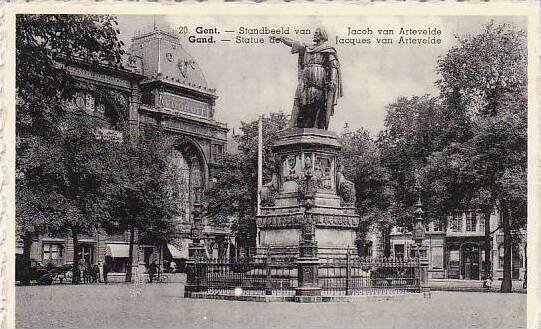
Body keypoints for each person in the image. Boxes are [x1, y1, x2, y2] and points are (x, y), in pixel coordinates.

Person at [275, 27, 343, 130]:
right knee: (297, 99)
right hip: (305, 79)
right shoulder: (307, 47)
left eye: (317, 33)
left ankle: (315, 127)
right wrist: (282, 39)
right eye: (314, 33)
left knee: (317, 102)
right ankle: (291, 125)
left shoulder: (328, 49)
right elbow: (293, 43)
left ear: (323, 35)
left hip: (319, 78)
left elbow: (333, 65)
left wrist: (333, 80)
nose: (314, 35)